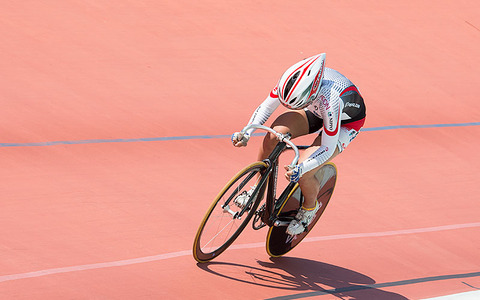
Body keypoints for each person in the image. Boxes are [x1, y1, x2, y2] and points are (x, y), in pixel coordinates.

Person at [231, 53, 366, 236]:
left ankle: (309, 209)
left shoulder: (330, 100)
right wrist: (246, 132)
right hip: (314, 109)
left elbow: (326, 148)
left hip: (344, 122)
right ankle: (257, 190)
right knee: (273, 137)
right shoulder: (291, 80)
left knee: (305, 170)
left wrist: (302, 168)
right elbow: (266, 107)